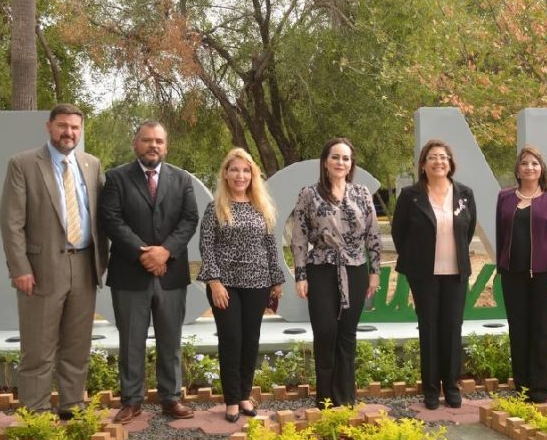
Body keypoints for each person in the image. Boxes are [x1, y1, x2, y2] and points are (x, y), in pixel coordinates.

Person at [0, 103, 108, 417]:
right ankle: (36, 411)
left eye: (74, 127)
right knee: (39, 346)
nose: (68, 132)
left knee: (77, 345)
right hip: (42, 268)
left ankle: (73, 405)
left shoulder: (91, 164)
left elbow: (100, 218)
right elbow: (11, 222)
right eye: (62, 126)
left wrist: (102, 261)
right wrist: (20, 268)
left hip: (84, 265)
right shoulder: (23, 164)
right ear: (49, 127)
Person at [100, 121, 199, 423]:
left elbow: (189, 219)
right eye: (147, 140)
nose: (153, 145)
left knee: (171, 338)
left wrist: (165, 251)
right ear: (136, 144)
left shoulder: (181, 179)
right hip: (130, 274)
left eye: (158, 141)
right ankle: (132, 400)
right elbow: (111, 219)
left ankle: (171, 398)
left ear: (166, 146)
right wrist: (145, 253)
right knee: (131, 340)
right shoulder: (116, 178)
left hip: (171, 275)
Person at [290, 137, 382, 409]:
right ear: (325, 162)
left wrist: (374, 271)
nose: (340, 162)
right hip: (320, 267)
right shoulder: (309, 194)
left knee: (347, 334)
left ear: (351, 164)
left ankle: (346, 397)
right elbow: (299, 236)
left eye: (345, 158)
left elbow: (373, 234)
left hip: (355, 269)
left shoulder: (362, 194)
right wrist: (301, 274)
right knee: (325, 331)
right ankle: (325, 399)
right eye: (335, 157)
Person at [198, 148, 284, 422]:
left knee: (250, 340)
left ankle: (245, 395)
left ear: (253, 175)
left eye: (246, 170)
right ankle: (231, 399)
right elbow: (206, 246)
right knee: (231, 339)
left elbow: (270, 245)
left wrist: (276, 279)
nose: (240, 175)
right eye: (235, 169)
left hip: (258, 283)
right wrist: (214, 282)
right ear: (225, 173)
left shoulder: (261, 206)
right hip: (226, 285)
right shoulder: (216, 207)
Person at [392, 140, 477, 409]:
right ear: (423, 164)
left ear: (450, 163)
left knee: (452, 328)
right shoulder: (410, 195)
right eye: (433, 157)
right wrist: (416, 258)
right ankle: (430, 388)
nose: (439, 162)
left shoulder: (464, 194)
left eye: (443, 157)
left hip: (456, 273)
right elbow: (399, 232)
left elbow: (469, 228)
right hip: (424, 275)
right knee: (428, 328)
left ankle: (451, 386)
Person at [496, 145, 547, 403]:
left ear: (541, 169)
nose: (529, 167)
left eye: (534, 163)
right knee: (518, 329)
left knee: (543, 330)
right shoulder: (504, 197)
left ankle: (540, 389)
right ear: (517, 169)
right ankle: (522, 386)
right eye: (525, 163)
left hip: (545, 275)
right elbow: (500, 235)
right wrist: (501, 266)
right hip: (512, 276)